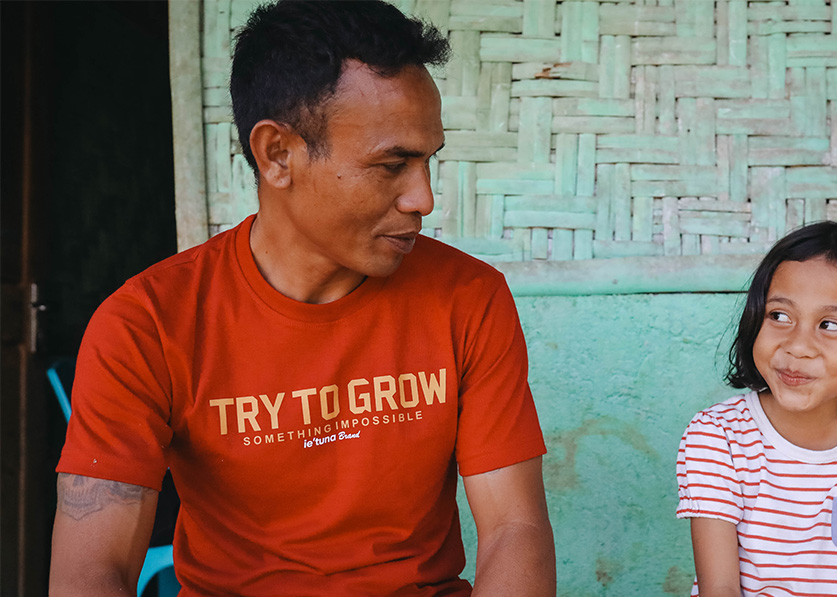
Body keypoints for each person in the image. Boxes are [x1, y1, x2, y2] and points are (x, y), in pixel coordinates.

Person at [49, 1, 556, 595]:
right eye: (392, 164)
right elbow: (93, 568)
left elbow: (513, 530)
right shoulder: (147, 324)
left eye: (427, 162)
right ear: (278, 155)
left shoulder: (469, 297)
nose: (423, 197)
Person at [676, 221, 837, 597]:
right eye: (779, 316)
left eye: (830, 325)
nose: (798, 346)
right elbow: (720, 588)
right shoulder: (719, 437)